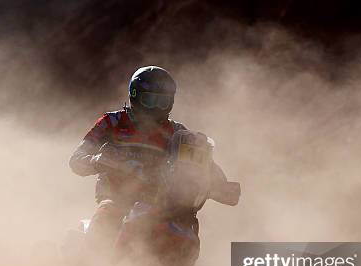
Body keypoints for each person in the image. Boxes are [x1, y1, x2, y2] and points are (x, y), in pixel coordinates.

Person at [69, 65, 239, 246]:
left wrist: (220, 185)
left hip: (162, 205)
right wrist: (98, 161)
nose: (156, 107)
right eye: (150, 100)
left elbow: (206, 166)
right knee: (103, 225)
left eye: (163, 102)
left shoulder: (177, 132)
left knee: (186, 235)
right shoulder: (112, 123)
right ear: (134, 95)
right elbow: (76, 160)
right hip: (117, 200)